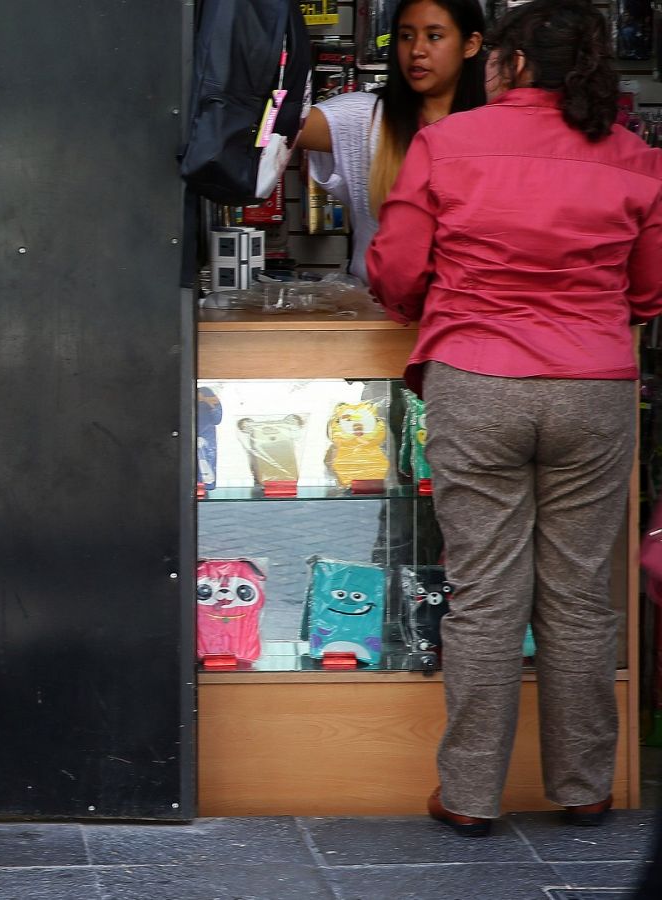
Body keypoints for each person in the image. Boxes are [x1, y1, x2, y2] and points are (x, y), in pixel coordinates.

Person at [366, 0, 662, 837]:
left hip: (478, 378)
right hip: (592, 387)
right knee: (577, 596)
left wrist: (430, 300)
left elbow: (394, 269)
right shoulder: (638, 159)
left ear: (518, 65)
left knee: (486, 595)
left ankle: (467, 795)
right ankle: (585, 787)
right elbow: (649, 288)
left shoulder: (446, 144)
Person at [294, 0, 487, 283]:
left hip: (467, 313)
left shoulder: (495, 129)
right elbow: (271, 124)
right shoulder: (365, 119)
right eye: (406, 36)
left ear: (470, 44)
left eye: (434, 36)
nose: (417, 50)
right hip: (381, 317)